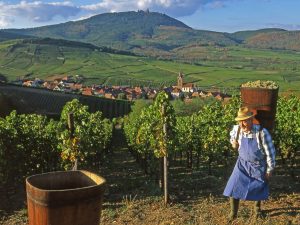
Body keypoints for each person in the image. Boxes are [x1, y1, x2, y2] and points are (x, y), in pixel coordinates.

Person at [223, 107, 276, 221]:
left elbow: (270, 153)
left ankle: (257, 209)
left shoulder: (261, 133)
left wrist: (269, 170)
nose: (242, 124)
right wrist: (233, 144)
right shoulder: (237, 130)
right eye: (240, 121)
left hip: (258, 165)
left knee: (259, 187)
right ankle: (233, 213)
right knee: (233, 186)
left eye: (245, 120)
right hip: (242, 164)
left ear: (251, 120)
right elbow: (232, 139)